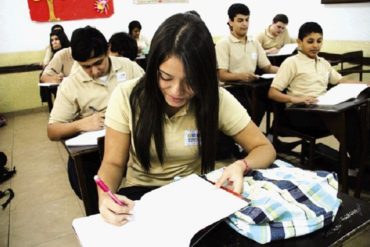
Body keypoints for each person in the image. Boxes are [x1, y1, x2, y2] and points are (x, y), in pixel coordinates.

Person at [97, 13, 276, 226]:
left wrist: (241, 165)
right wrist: (105, 197)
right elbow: (113, 163)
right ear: (153, 67)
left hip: (197, 193)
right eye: (166, 77)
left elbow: (265, 148)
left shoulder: (215, 98)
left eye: (191, 81)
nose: (177, 91)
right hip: (143, 196)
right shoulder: (126, 96)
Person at [47, 26, 144, 200]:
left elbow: (153, 96)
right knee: (85, 180)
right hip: (97, 150)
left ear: (107, 49)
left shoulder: (128, 67)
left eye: (98, 62)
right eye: (86, 66)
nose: (94, 71)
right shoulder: (71, 84)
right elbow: (52, 131)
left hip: (136, 140)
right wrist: (81, 124)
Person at [268, 22, 368, 170]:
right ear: (299, 42)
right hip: (300, 112)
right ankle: (360, 164)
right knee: (343, 118)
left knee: (356, 114)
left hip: (321, 107)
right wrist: (296, 99)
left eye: (319, 41)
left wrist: (364, 84)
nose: (315, 45)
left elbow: (340, 80)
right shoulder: (291, 62)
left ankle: (359, 161)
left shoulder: (323, 63)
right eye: (310, 41)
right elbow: (272, 93)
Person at [215, 3, 278, 83]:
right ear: (231, 22)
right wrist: (241, 76)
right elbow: (222, 75)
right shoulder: (223, 44)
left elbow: (268, 68)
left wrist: (284, 71)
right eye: (240, 20)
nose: (245, 24)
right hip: (230, 88)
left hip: (250, 87)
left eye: (247, 20)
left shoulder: (254, 42)